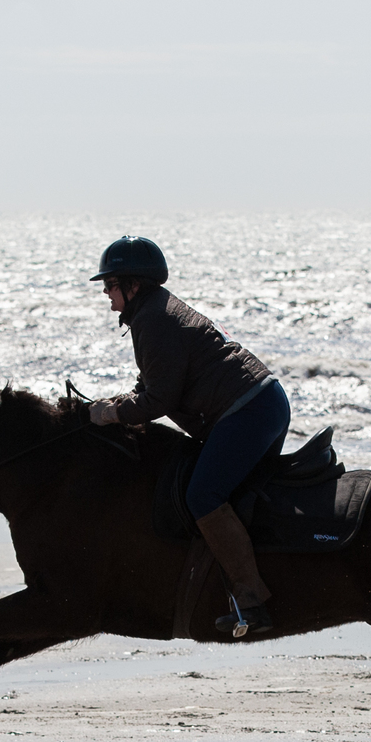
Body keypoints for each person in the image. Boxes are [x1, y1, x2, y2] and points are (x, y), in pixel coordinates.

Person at [85, 235, 289, 637]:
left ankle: (252, 601)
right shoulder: (154, 311)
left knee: (202, 496)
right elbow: (155, 386)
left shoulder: (153, 319)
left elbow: (159, 399)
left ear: (134, 285)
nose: (106, 294)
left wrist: (111, 413)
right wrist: (120, 402)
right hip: (260, 404)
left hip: (248, 411)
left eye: (110, 285)